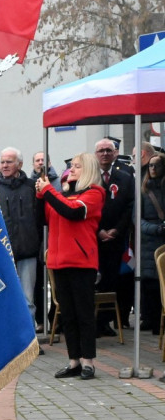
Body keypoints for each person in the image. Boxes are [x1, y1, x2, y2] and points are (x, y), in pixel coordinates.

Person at [38, 153, 104, 380]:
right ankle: (73, 360)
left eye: (77, 166)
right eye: (72, 166)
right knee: (67, 314)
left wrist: (49, 191)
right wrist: (40, 196)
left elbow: (73, 212)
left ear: (88, 170)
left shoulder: (94, 193)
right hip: (58, 260)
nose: (72, 169)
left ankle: (88, 362)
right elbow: (45, 218)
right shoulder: (64, 193)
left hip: (81, 260)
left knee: (83, 313)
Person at [93, 138, 135, 337]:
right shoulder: (90, 176)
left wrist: (116, 231)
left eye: (108, 150)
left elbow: (128, 207)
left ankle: (106, 321)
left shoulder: (125, 177)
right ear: (96, 154)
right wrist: (99, 230)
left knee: (111, 280)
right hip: (93, 238)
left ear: (115, 153)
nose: (105, 154)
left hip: (115, 238)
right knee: (95, 281)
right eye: (101, 150)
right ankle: (93, 321)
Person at [0, 147, 42, 324]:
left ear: (19, 164)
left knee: (27, 299)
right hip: (1, 253)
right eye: (2, 162)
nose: (5, 165)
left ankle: (29, 341)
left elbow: (40, 217)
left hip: (27, 250)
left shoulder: (31, 186)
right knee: (3, 298)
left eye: (9, 162)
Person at [139, 153, 165, 333]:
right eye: (150, 165)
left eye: (157, 165)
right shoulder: (143, 190)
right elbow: (137, 219)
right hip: (149, 240)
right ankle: (152, 321)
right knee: (150, 284)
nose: (153, 169)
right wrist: (153, 229)